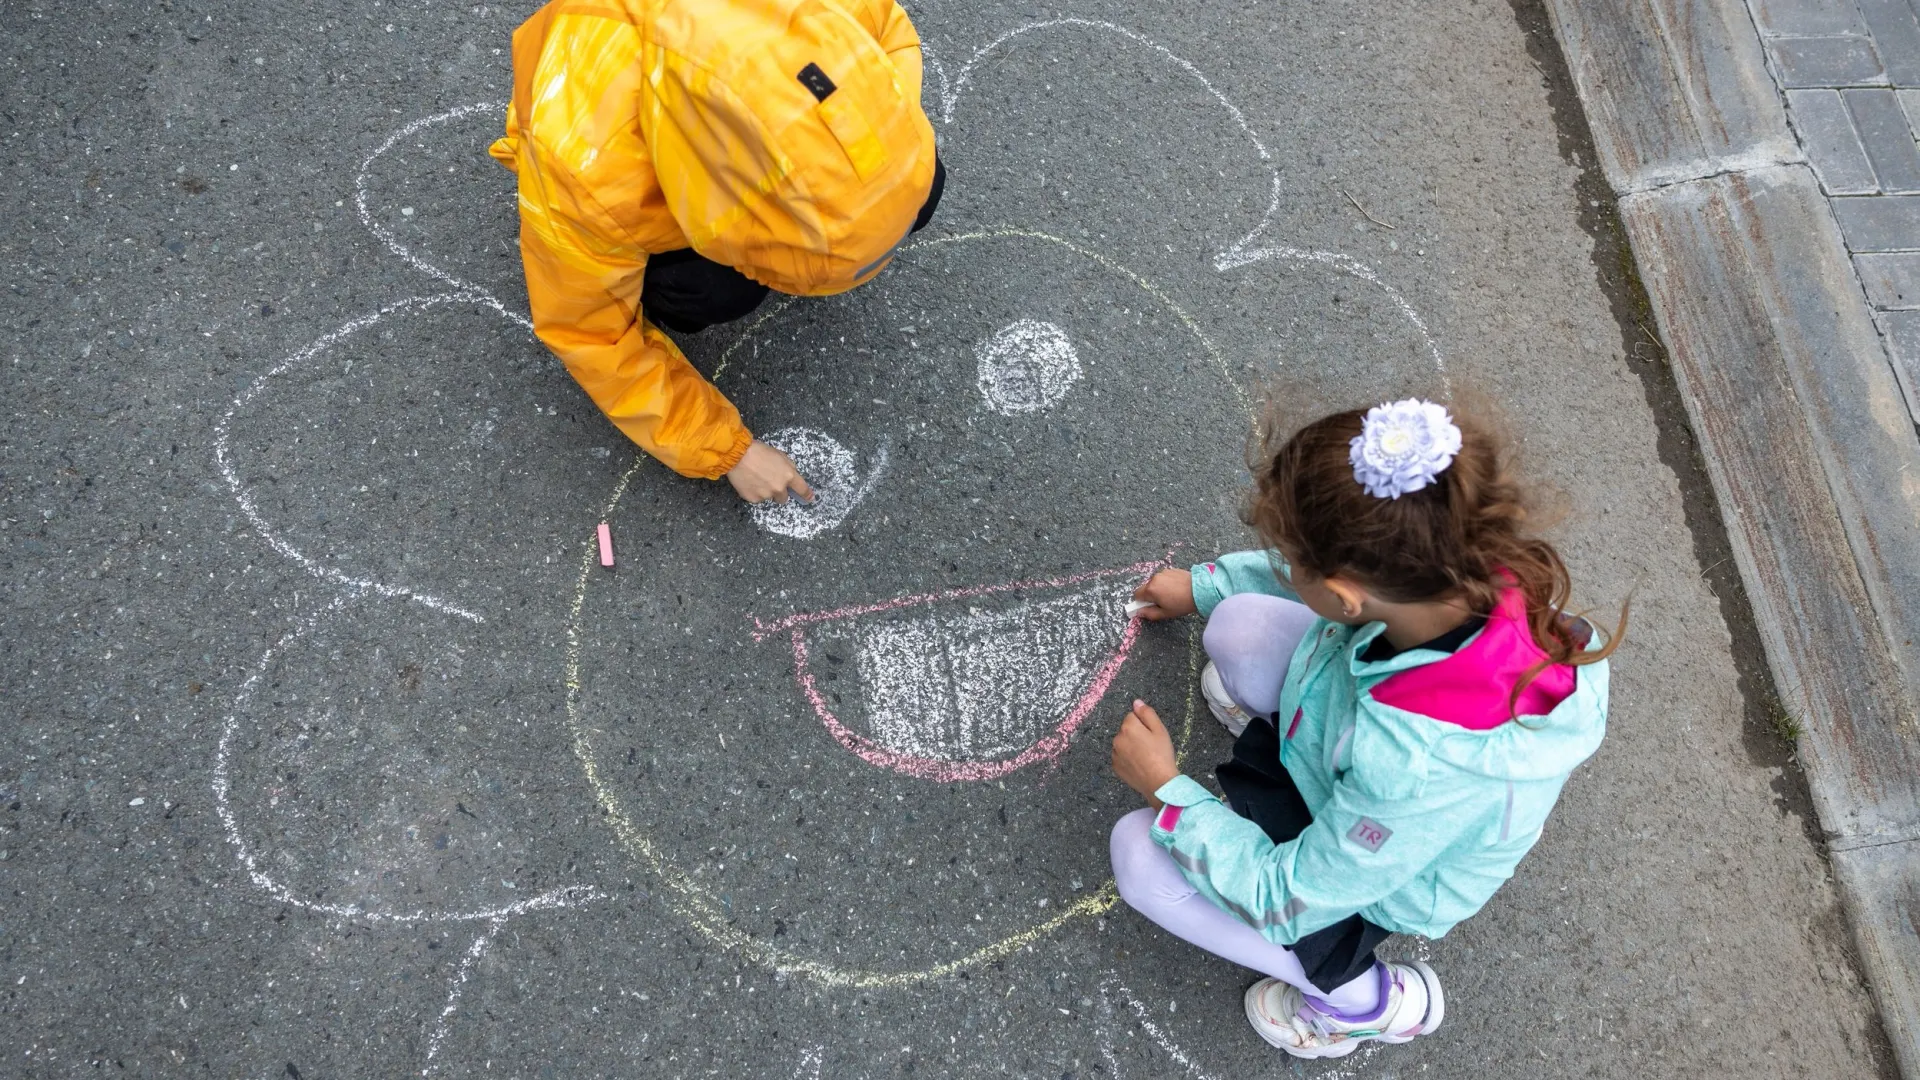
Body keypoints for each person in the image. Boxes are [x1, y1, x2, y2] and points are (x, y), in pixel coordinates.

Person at [1110, 399, 1624, 1059]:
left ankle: (1362, 1003)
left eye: (1293, 561)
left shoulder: (1411, 768)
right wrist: (1206, 585)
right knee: (1236, 624)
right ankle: (1283, 739)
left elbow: (1287, 897)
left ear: (1347, 596)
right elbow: (1327, 568)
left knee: (1142, 857)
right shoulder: (1455, 562)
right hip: (1348, 745)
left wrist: (1165, 790)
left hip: (1375, 874)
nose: (1285, 566)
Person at [490, 0, 945, 503]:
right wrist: (729, 450)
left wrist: (885, 147)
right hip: (606, 116)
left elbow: (890, 31)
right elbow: (590, 334)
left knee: (924, 188)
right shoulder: (588, 170)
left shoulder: (828, 15)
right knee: (709, 291)